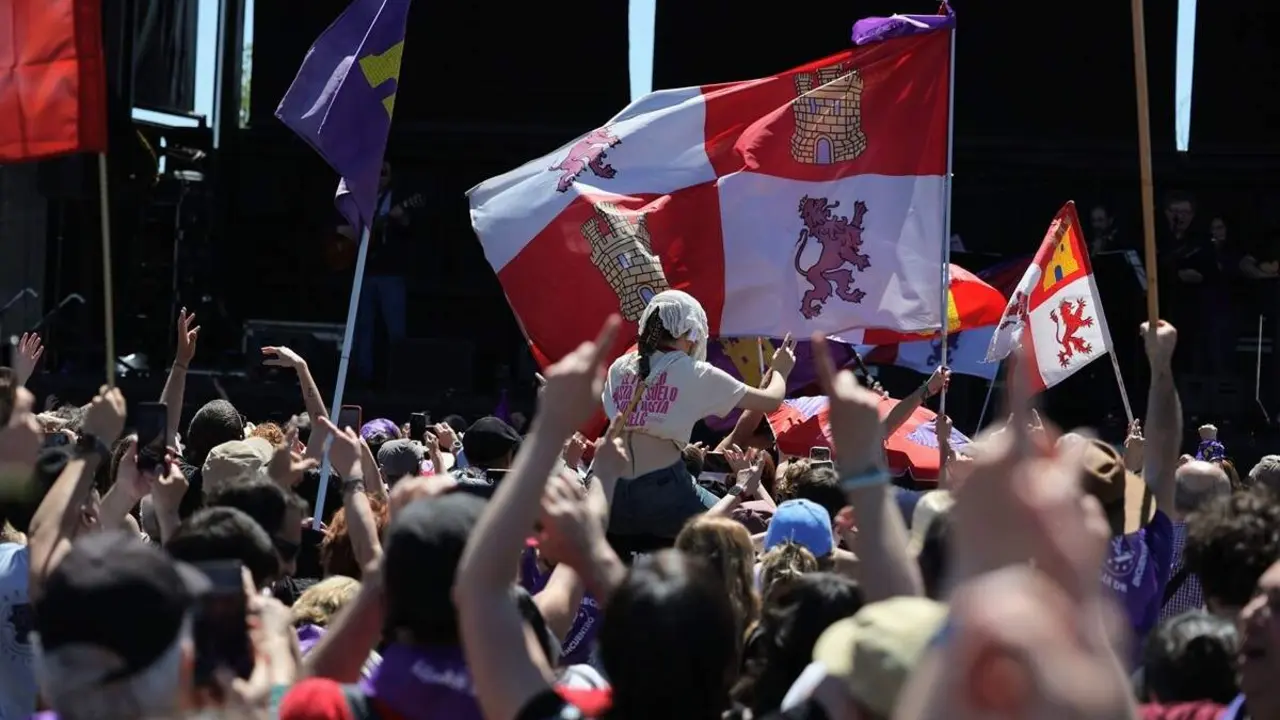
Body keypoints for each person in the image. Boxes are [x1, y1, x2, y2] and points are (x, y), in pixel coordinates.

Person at [602, 290, 795, 541]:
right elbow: (770, 401)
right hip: (666, 493)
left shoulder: (619, 367)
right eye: (693, 334)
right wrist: (780, 370)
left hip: (611, 489)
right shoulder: (694, 372)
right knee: (753, 528)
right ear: (687, 331)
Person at [337, 161, 417, 387]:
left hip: (390, 272)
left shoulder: (395, 198)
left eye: (385, 173)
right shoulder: (362, 197)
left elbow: (409, 230)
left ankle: (398, 376)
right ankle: (363, 376)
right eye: (377, 172)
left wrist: (401, 218)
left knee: (395, 329)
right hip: (365, 271)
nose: (380, 177)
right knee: (363, 326)